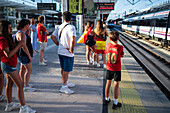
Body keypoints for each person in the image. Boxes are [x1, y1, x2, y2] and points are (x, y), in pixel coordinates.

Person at [0, 20, 36, 113]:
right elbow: (8, 54)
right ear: (3, 29)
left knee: (9, 84)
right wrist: (18, 46)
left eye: (11, 27)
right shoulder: (2, 39)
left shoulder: (7, 38)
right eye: (8, 28)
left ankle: (9, 104)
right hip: (8, 64)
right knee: (20, 85)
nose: (11, 29)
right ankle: (23, 107)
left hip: (9, 64)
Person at [51, 11, 76, 94]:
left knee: (63, 68)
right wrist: (72, 49)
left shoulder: (60, 26)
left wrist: (58, 44)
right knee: (66, 70)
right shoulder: (72, 27)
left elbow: (52, 36)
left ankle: (65, 82)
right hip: (67, 52)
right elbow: (73, 39)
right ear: (71, 18)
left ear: (63, 18)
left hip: (60, 51)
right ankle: (64, 86)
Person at [104, 31, 124, 110]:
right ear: (118, 38)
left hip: (109, 68)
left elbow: (106, 53)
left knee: (108, 83)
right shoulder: (120, 47)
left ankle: (107, 99)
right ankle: (115, 103)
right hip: (117, 69)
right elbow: (121, 55)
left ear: (109, 38)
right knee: (116, 85)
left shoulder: (108, 45)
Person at [15, 19, 36, 92]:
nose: (29, 26)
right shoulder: (22, 34)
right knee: (29, 70)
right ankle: (26, 86)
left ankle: (23, 84)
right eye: (28, 25)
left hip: (21, 54)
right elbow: (24, 46)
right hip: (24, 55)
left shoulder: (21, 33)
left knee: (22, 69)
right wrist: (29, 56)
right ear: (26, 25)